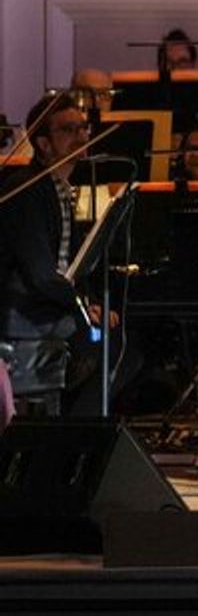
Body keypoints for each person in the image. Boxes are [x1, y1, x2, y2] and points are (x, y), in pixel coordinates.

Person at [0, 95, 111, 412]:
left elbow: (71, 267)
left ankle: (73, 441)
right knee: (112, 348)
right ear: (44, 144)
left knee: (119, 343)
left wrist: (90, 303)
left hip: (47, 309)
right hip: (25, 316)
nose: (80, 136)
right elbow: (41, 275)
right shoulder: (26, 189)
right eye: (67, 129)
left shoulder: (58, 188)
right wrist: (81, 309)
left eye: (83, 127)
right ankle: (67, 443)